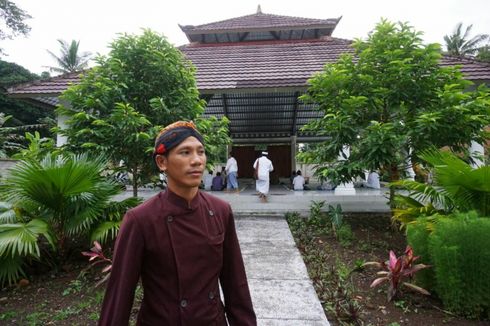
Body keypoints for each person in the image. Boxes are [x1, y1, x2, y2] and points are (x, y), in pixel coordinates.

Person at [99, 121, 256, 325]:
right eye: (185, 152)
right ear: (162, 162)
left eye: (200, 152)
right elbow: (119, 296)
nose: (197, 160)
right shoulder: (141, 219)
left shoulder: (220, 210)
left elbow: (236, 285)